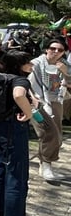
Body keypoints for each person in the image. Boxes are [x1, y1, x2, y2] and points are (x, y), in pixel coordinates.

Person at [0, 50, 44, 216]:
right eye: (28, 63)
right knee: (17, 170)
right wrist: (29, 112)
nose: (32, 66)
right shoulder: (20, 80)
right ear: (19, 65)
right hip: (11, 127)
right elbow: (18, 95)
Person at [28, 38, 69, 181]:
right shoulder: (36, 64)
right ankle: (46, 166)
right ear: (47, 49)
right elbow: (27, 83)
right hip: (38, 102)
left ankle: (46, 164)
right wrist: (34, 99)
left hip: (56, 101)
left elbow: (68, 84)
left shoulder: (64, 65)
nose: (56, 52)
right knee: (47, 132)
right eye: (53, 48)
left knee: (56, 134)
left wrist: (65, 73)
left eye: (60, 50)